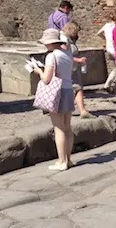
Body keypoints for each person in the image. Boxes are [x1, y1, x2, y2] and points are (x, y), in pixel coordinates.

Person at [33, 29, 75, 171]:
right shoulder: (67, 54)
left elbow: (46, 79)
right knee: (67, 127)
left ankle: (61, 161)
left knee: (59, 128)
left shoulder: (51, 56)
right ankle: (68, 159)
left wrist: (38, 70)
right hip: (69, 90)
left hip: (57, 92)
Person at [62, 22, 93, 119]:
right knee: (69, 89)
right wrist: (78, 60)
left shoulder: (70, 40)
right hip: (66, 69)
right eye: (76, 31)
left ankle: (82, 110)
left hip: (73, 68)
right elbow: (64, 55)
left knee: (78, 88)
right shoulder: (64, 40)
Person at [97, 12, 116, 92]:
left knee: (115, 68)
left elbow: (98, 33)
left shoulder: (106, 26)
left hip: (109, 50)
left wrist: (105, 39)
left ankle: (107, 84)